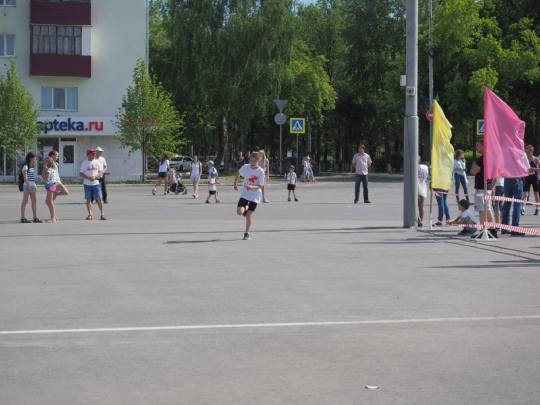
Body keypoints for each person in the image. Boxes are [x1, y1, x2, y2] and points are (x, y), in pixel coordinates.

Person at [234, 151, 265, 240]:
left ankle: (247, 233)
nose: (252, 163)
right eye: (251, 161)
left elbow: (261, 186)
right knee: (239, 212)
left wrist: (252, 187)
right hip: (245, 193)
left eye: (254, 161)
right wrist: (235, 183)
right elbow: (238, 173)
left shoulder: (260, 171)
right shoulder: (246, 167)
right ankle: (246, 207)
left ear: (258, 161)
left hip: (255, 194)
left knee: (249, 214)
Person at [470, 138, 497, 238]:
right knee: (487, 208)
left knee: (482, 210)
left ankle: (485, 230)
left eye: (478, 145)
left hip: (482, 186)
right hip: (487, 186)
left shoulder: (483, 158)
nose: (476, 147)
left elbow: (473, 171)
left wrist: (477, 170)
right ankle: (491, 230)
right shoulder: (490, 157)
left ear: (483, 146)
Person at [501, 153, 530, 236]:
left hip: (507, 178)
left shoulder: (506, 152)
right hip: (517, 178)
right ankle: (515, 228)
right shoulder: (521, 153)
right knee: (517, 204)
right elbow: (527, 168)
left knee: (507, 203)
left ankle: (504, 227)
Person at [80, 148, 106, 220]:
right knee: (88, 199)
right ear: (88, 155)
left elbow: (101, 172)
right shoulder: (84, 163)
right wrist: (88, 177)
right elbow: (81, 173)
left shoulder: (97, 162)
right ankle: (90, 214)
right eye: (92, 154)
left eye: (94, 154)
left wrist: (95, 177)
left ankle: (102, 214)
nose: (94, 155)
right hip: (87, 184)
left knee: (99, 198)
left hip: (96, 184)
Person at [20, 152, 41, 223]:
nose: (35, 160)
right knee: (25, 201)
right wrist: (28, 185)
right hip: (27, 185)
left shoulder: (32, 166)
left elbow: (31, 177)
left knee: (34, 200)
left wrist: (34, 184)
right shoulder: (26, 166)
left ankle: (35, 217)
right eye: (34, 158)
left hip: (32, 185)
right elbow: (25, 177)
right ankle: (23, 217)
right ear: (30, 158)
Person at [42, 154, 61, 223]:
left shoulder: (49, 169)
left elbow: (47, 178)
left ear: (48, 162)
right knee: (48, 201)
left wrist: (45, 177)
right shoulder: (54, 168)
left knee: (50, 202)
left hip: (50, 185)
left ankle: (53, 218)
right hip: (53, 185)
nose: (44, 163)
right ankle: (54, 216)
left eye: (45, 162)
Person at [522, 145, 540, 215]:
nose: (527, 153)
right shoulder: (524, 159)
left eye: (528, 152)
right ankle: (523, 208)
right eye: (526, 152)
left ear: (532, 152)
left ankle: (537, 208)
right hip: (527, 177)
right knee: (525, 193)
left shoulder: (535, 159)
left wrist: (534, 169)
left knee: (536, 193)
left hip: (534, 177)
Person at [417, 156, 429, 227]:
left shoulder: (414, 167)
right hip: (423, 188)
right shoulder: (425, 167)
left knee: (415, 206)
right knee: (421, 206)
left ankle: (419, 221)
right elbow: (427, 177)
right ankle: (420, 220)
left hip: (417, 189)